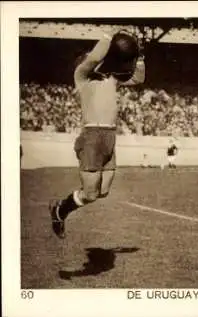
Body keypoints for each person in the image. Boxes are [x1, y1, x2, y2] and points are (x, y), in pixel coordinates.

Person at [49, 30, 145, 239]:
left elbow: (138, 79)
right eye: (87, 59)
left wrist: (139, 55)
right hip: (92, 135)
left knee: (103, 191)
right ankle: (60, 210)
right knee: (90, 194)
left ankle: (63, 207)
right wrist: (109, 36)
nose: (92, 60)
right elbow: (94, 57)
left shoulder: (111, 79)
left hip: (110, 137)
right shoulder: (81, 77)